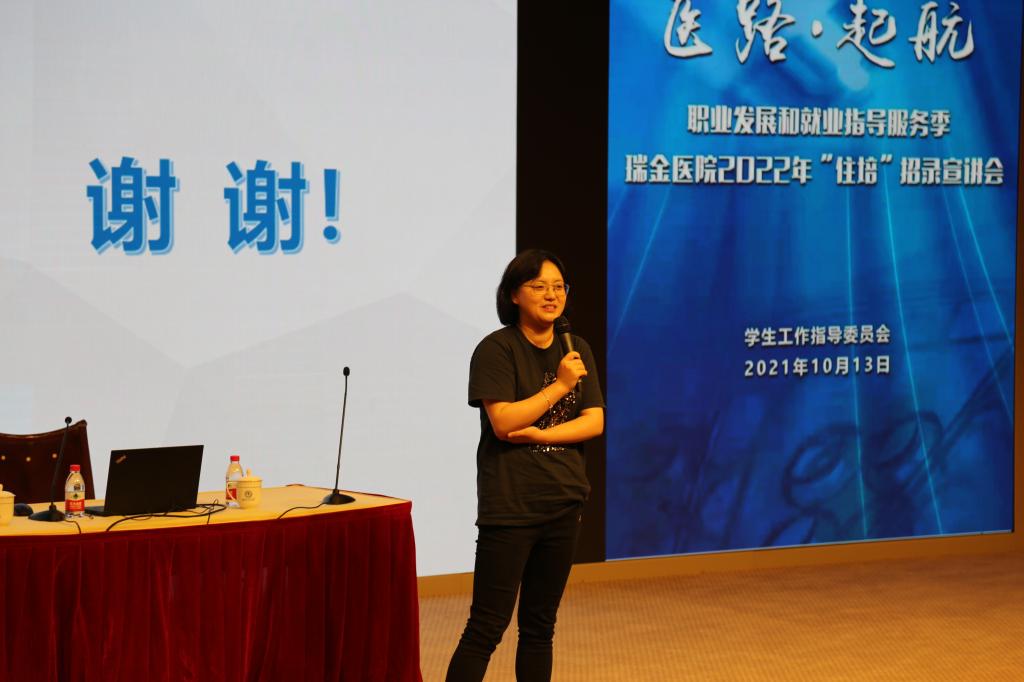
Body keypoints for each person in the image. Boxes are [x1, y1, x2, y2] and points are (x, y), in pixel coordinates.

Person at [446, 249, 605, 681]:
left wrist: (542, 435)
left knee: (540, 627)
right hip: (511, 508)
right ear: (514, 294)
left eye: (558, 287)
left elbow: (594, 421)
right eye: (539, 286)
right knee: (486, 627)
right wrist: (559, 386)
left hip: (564, 503)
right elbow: (504, 422)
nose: (551, 295)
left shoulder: (576, 348)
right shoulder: (496, 350)